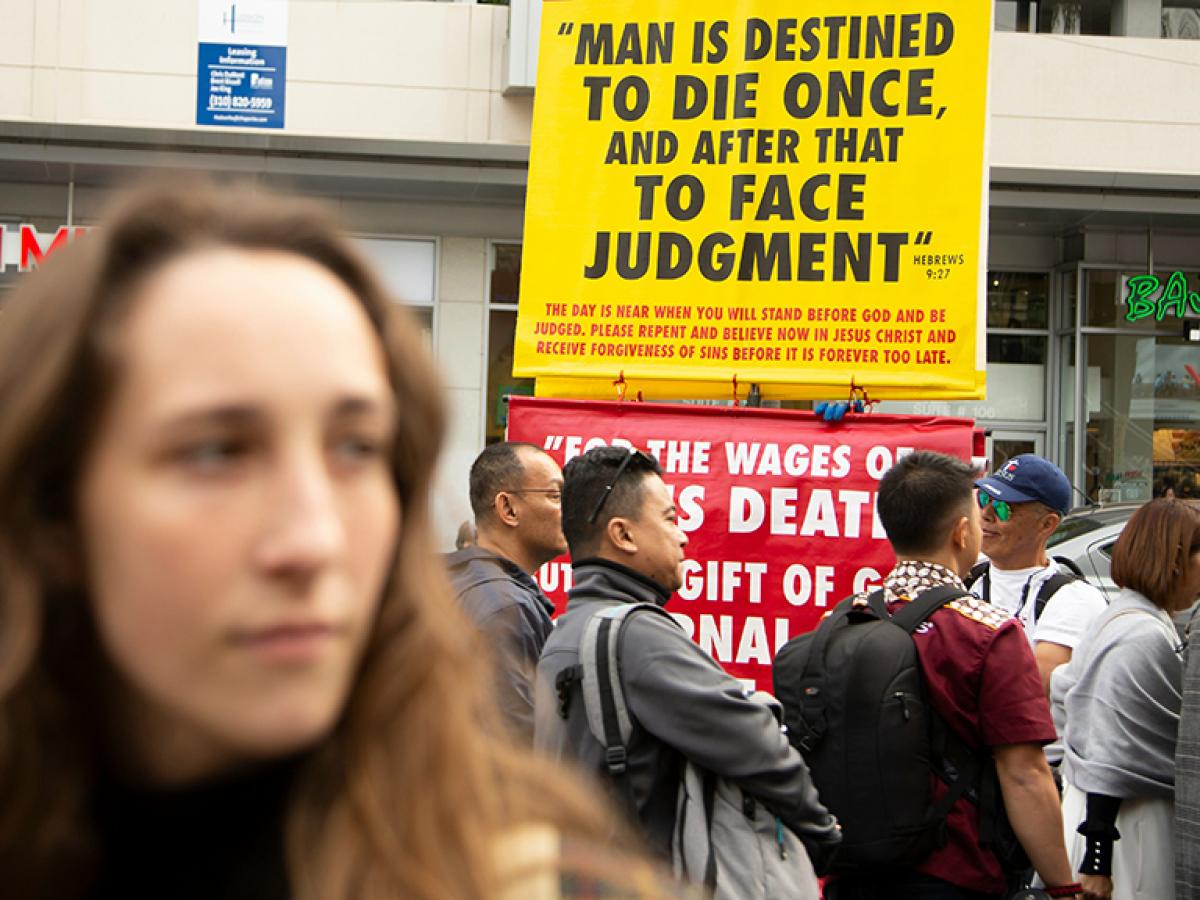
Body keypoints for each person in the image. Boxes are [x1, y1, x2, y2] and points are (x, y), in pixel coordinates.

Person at [0, 182, 681, 900]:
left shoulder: (533, 879)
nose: (314, 536)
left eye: (356, 448)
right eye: (216, 453)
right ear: (54, 513)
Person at [534, 446, 840, 876]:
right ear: (623, 535)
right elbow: (755, 739)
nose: (683, 536)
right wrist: (822, 833)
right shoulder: (637, 634)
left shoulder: (566, 629)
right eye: (670, 519)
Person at [824, 451, 1081, 900]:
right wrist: (1063, 886)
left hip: (852, 866)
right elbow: (1024, 775)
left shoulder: (844, 618)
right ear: (963, 533)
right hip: (956, 868)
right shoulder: (988, 633)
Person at [1051, 498, 1194, 900]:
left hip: (1109, 818)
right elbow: (1109, 747)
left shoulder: (1128, 615)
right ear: (1179, 559)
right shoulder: (1140, 634)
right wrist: (1098, 859)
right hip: (1123, 828)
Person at [446, 442, 567, 739]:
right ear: (508, 508)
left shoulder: (458, 582)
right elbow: (513, 748)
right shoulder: (505, 609)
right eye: (555, 495)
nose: (570, 509)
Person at [971, 454, 1107, 695]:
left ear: (1047, 524)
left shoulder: (1075, 600)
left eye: (1003, 509)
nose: (986, 514)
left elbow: (1032, 693)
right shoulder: (964, 578)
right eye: (984, 499)